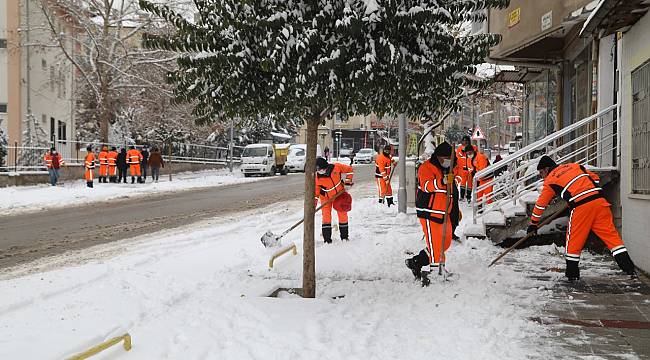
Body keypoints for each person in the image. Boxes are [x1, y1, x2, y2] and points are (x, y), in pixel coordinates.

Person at [529, 156, 636, 281]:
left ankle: (572, 275)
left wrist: (533, 224)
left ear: (547, 169)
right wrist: (588, 191)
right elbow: (594, 177)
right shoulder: (574, 166)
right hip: (600, 202)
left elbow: (541, 204)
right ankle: (629, 268)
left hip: (582, 208)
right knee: (612, 238)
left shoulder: (551, 180)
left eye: (541, 173)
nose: (542, 177)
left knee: (573, 241)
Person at [406, 141, 455, 286]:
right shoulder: (426, 167)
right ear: (439, 157)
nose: (447, 162)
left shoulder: (445, 169)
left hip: (444, 212)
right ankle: (436, 272)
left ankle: (416, 261)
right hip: (429, 212)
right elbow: (426, 186)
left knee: (445, 242)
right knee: (436, 244)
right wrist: (443, 181)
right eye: (445, 159)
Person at [315, 157, 354, 243]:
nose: (320, 172)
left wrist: (347, 182)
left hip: (339, 195)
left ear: (326, 166)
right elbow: (316, 190)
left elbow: (349, 169)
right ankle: (327, 240)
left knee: (342, 214)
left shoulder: (336, 167)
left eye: (321, 169)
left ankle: (344, 237)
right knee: (326, 216)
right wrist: (315, 201)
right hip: (325, 197)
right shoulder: (317, 177)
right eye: (318, 170)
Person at [455, 135, 478, 202]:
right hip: (462, 169)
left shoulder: (474, 148)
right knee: (462, 183)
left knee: (470, 184)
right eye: (463, 141)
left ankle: (468, 197)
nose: (464, 143)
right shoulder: (459, 149)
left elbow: (476, 156)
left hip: (471, 169)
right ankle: (462, 196)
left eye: (466, 142)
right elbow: (458, 158)